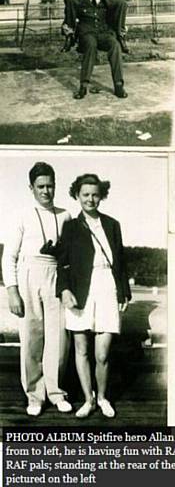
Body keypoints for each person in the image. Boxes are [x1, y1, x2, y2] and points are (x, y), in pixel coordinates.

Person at [56, 173, 131, 418]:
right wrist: (65, 290)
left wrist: (124, 292)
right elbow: (63, 264)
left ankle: (103, 397)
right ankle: (88, 400)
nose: (90, 199)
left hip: (107, 286)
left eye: (95, 194)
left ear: (102, 196)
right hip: (80, 290)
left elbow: (120, 261)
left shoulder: (112, 224)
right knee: (81, 348)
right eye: (85, 194)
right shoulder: (70, 226)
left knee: (102, 353)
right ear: (77, 196)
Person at [2, 162, 72, 416]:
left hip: (55, 275)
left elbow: (69, 255)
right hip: (28, 275)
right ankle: (34, 395)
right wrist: (12, 290)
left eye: (50, 185)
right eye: (41, 186)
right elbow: (8, 256)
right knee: (32, 338)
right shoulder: (21, 214)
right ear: (31, 187)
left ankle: (55, 392)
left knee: (58, 339)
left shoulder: (65, 215)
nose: (46, 191)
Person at [69, 0, 127, 100]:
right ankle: (83, 86)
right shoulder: (81, 1)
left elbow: (119, 6)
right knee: (91, 45)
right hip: (87, 33)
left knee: (115, 45)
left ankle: (118, 85)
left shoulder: (106, 1)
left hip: (103, 33)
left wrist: (119, 29)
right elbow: (70, 8)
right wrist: (70, 31)